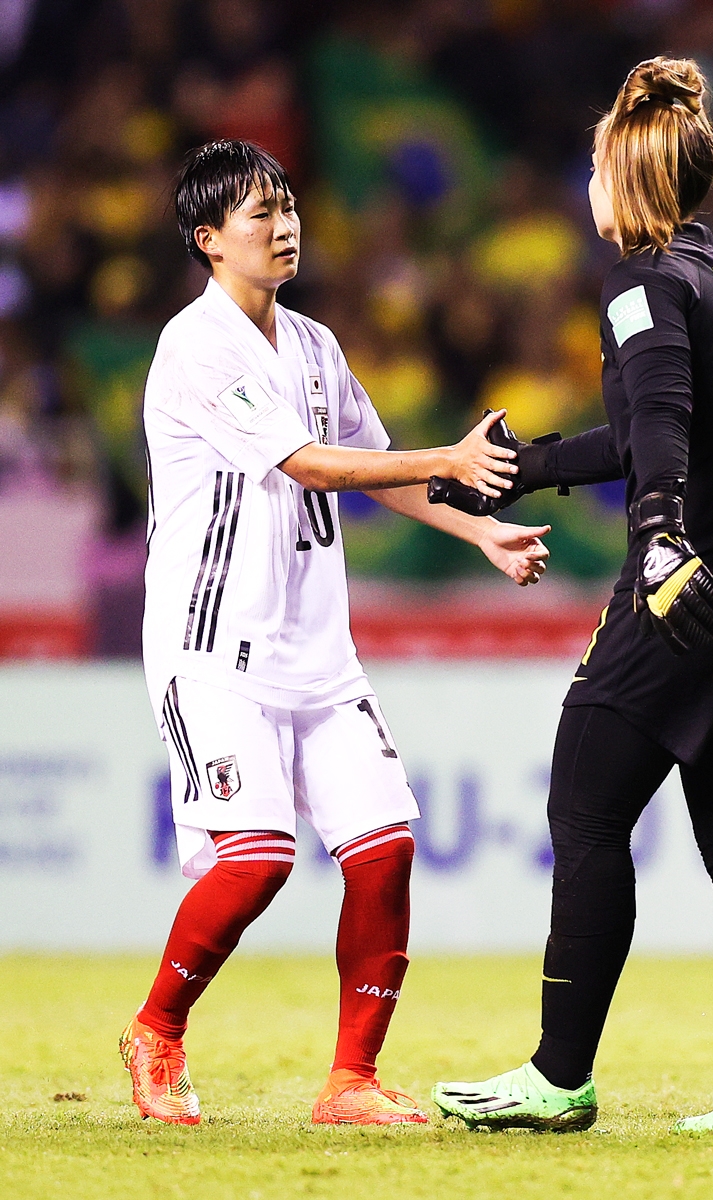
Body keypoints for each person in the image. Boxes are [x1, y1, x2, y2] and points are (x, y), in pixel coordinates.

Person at [432, 57, 713, 1135]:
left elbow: (659, 431)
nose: (586, 181)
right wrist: (535, 464)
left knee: (586, 805)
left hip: (702, 583)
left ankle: (560, 1079)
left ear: (626, 172)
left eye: (596, 162)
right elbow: (666, 423)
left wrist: (655, 540)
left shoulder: (641, 281)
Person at [122, 139, 549, 1127]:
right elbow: (312, 466)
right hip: (213, 652)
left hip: (319, 652)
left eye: (288, 205)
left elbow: (376, 464)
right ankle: (156, 1032)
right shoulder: (196, 346)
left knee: (384, 846)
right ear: (208, 240)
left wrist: (479, 528)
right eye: (258, 213)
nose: (283, 224)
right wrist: (452, 452)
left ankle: (350, 1081)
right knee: (259, 855)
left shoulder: (313, 344)